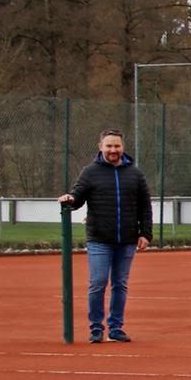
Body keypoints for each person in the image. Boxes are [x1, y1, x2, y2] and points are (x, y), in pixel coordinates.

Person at [59, 129, 153, 343]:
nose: (113, 150)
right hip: (99, 239)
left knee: (120, 283)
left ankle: (116, 327)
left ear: (123, 147)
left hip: (127, 240)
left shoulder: (135, 174)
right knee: (98, 283)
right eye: (109, 146)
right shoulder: (90, 172)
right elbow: (78, 196)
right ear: (100, 147)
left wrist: (146, 233)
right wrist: (70, 199)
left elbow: (145, 206)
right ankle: (96, 328)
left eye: (117, 146)